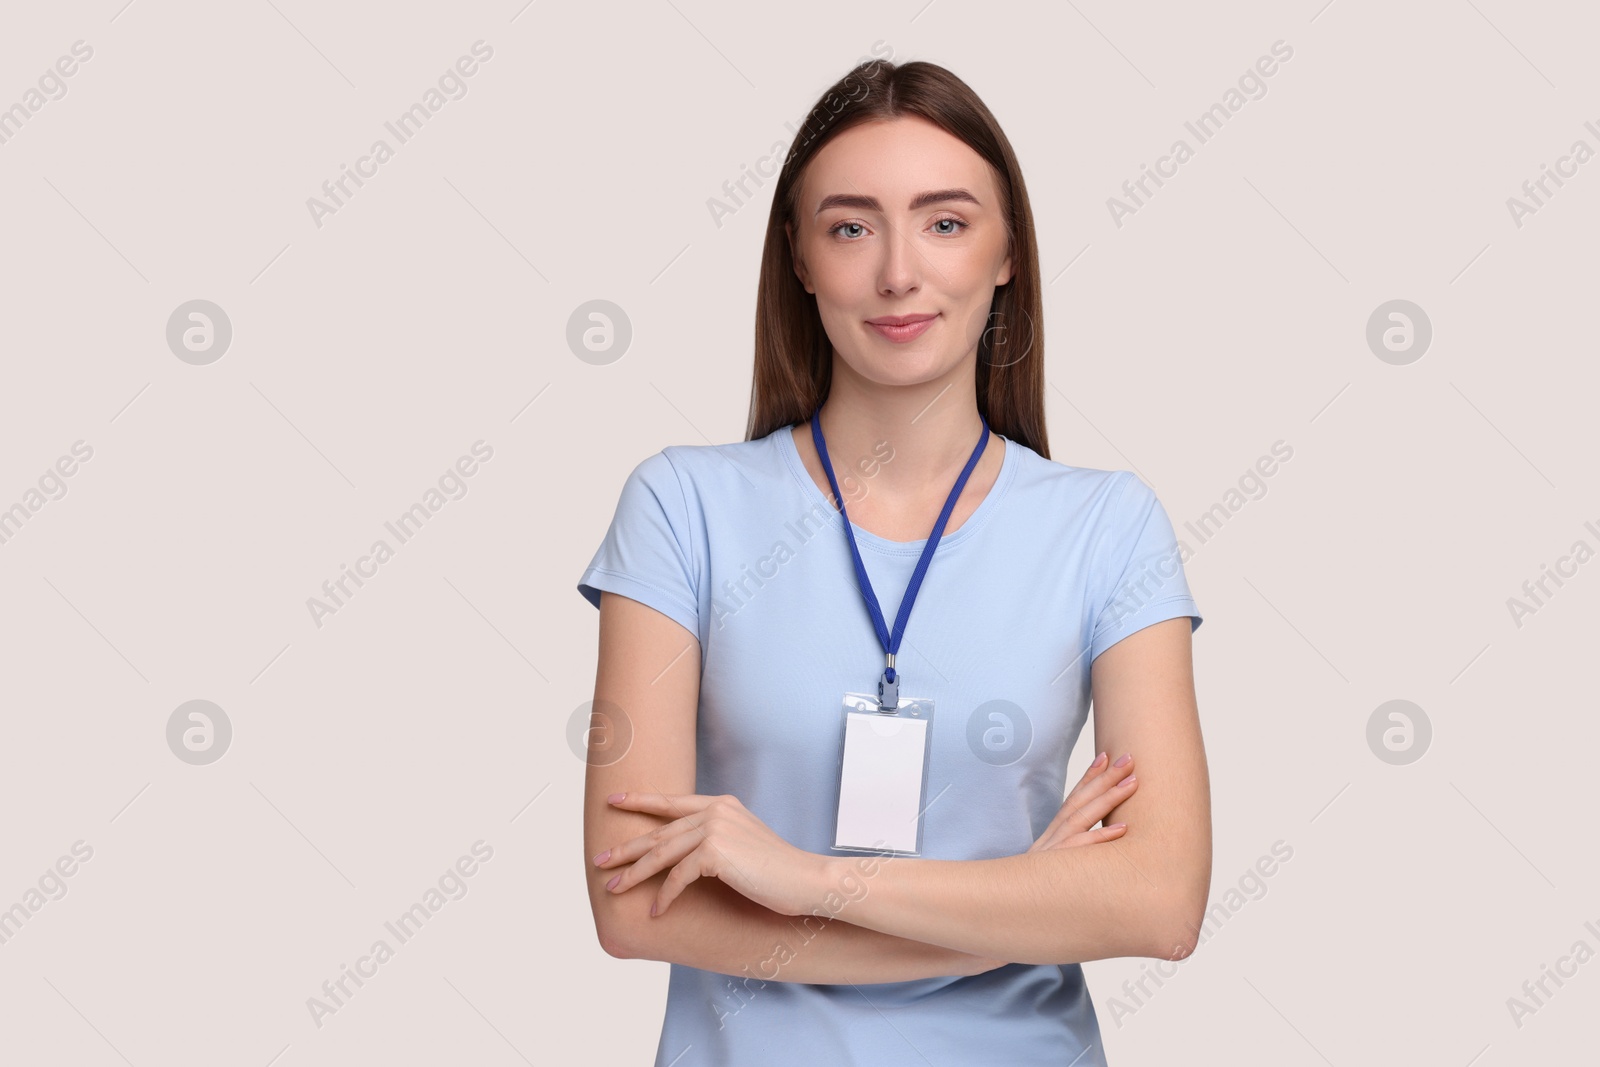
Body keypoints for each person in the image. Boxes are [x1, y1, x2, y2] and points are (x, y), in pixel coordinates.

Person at [576, 57, 1209, 1067]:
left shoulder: (1107, 525)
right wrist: (1014, 904)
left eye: (946, 222)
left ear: (1007, 254)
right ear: (799, 256)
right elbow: (635, 903)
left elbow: (1161, 901)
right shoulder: (681, 506)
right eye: (850, 226)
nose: (898, 273)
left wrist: (801, 878)